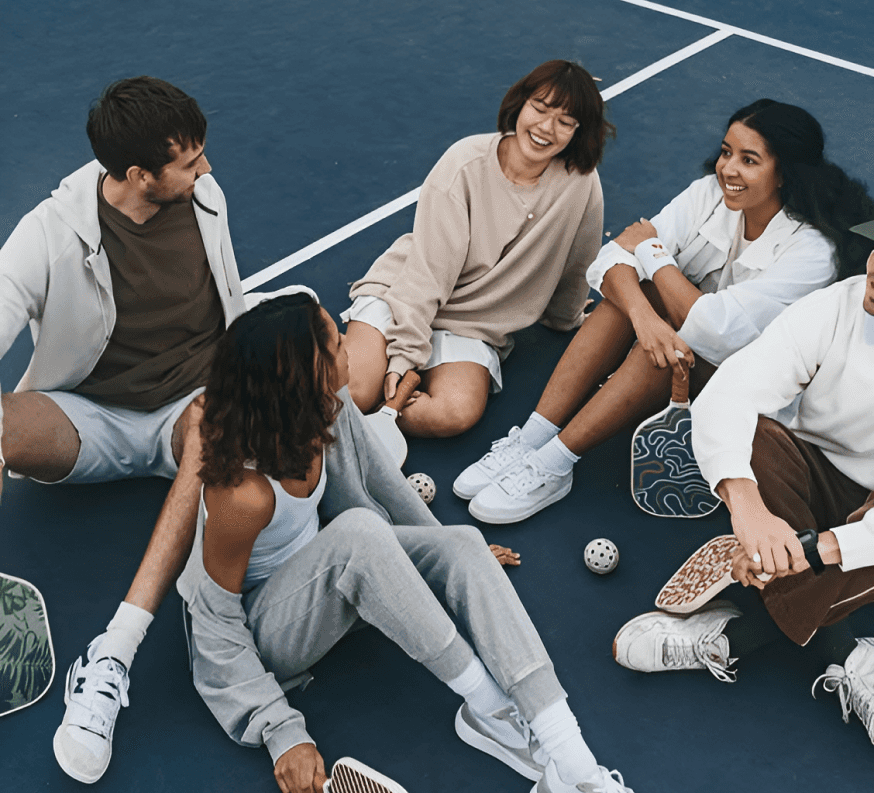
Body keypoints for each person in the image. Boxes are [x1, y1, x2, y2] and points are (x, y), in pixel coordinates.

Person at [177, 292, 677, 793]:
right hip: (271, 633)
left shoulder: (325, 405)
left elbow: (382, 485)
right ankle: (489, 705)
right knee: (361, 534)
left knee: (464, 545)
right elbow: (212, 621)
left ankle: (573, 766)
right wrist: (279, 730)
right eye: (335, 342)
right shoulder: (242, 491)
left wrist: (444, 557)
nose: (346, 340)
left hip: (332, 566)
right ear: (300, 377)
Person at [456, 99, 874, 524]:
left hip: (751, 390)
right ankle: (533, 437)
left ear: (785, 173)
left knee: (672, 335)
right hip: (686, 343)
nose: (728, 169)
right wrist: (644, 317)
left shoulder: (811, 252)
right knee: (635, 299)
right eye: (727, 152)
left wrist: (653, 252)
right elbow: (611, 259)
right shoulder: (708, 195)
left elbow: (716, 329)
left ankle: (555, 464)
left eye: (749, 160)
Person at [0, 77, 248, 785]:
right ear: (139, 175)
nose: (206, 169)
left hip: (189, 411)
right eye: (190, 161)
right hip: (91, 419)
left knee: (214, 421)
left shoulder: (207, 199)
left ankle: (113, 652)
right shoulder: (48, 234)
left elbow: (228, 300)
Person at [612, 224, 874, 748]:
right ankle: (849, 654)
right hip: (806, 469)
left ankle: (737, 636)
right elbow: (732, 388)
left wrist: (813, 550)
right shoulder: (837, 306)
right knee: (751, 434)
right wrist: (747, 506)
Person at [343, 60, 609, 438]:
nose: (546, 128)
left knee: (452, 415)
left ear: (579, 132)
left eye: (566, 121)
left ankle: (359, 423)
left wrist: (565, 318)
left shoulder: (581, 184)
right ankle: (338, 381)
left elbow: (579, 260)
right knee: (356, 391)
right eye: (540, 107)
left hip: (474, 325)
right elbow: (428, 272)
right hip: (404, 295)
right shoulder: (463, 162)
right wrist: (405, 354)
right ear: (520, 102)